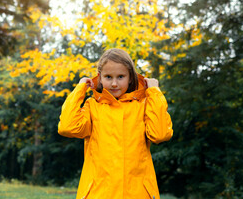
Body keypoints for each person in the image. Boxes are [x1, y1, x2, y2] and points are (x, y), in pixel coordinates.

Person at [58, 48, 173, 199]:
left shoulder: (143, 106)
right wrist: (80, 89)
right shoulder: (93, 106)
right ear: (99, 78)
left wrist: (154, 92)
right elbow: (67, 127)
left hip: (137, 193)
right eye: (108, 77)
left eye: (120, 77)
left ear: (130, 77)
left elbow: (160, 134)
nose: (114, 83)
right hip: (98, 193)